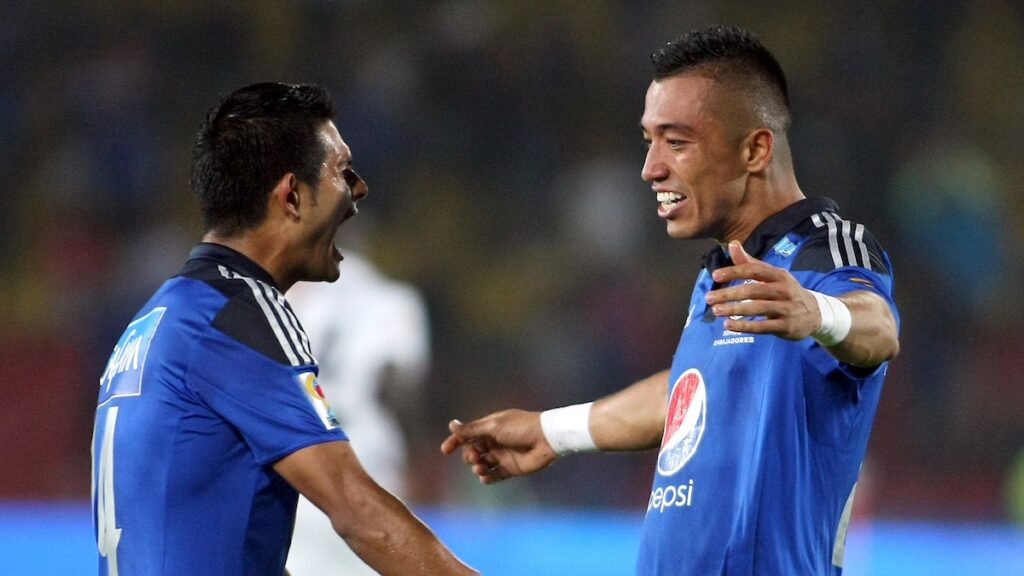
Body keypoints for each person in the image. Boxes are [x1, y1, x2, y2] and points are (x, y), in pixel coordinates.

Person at [441, 26, 899, 575]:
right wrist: (551, 431)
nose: (651, 168)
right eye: (648, 140)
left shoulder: (824, 247)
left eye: (676, 142)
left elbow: (877, 328)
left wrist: (818, 312)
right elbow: (691, 395)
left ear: (755, 149)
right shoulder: (720, 274)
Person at [91, 82, 476, 576]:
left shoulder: (155, 320)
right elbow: (360, 513)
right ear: (292, 196)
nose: (358, 188)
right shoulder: (242, 315)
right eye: (341, 171)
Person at [286, 251, 432, 575]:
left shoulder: (279, 288)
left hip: (295, 458)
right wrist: (419, 463)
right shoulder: (392, 298)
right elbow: (397, 390)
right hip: (366, 457)